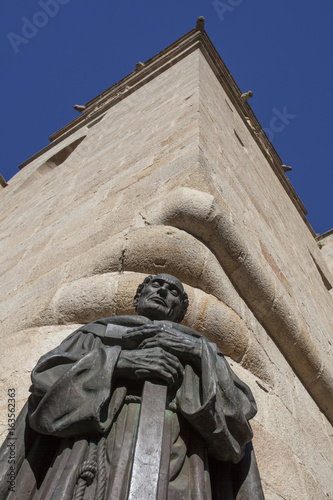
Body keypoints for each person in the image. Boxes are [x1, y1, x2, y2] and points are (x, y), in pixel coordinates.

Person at [0, 274, 264, 499]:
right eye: (156, 284)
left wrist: (197, 351)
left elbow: (240, 416)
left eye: (173, 291)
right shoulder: (97, 333)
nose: (162, 291)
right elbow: (45, 380)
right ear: (138, 297)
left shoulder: (203, 350)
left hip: (180, 452)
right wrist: (120, 362)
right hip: (92, 450)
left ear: (180, 311)